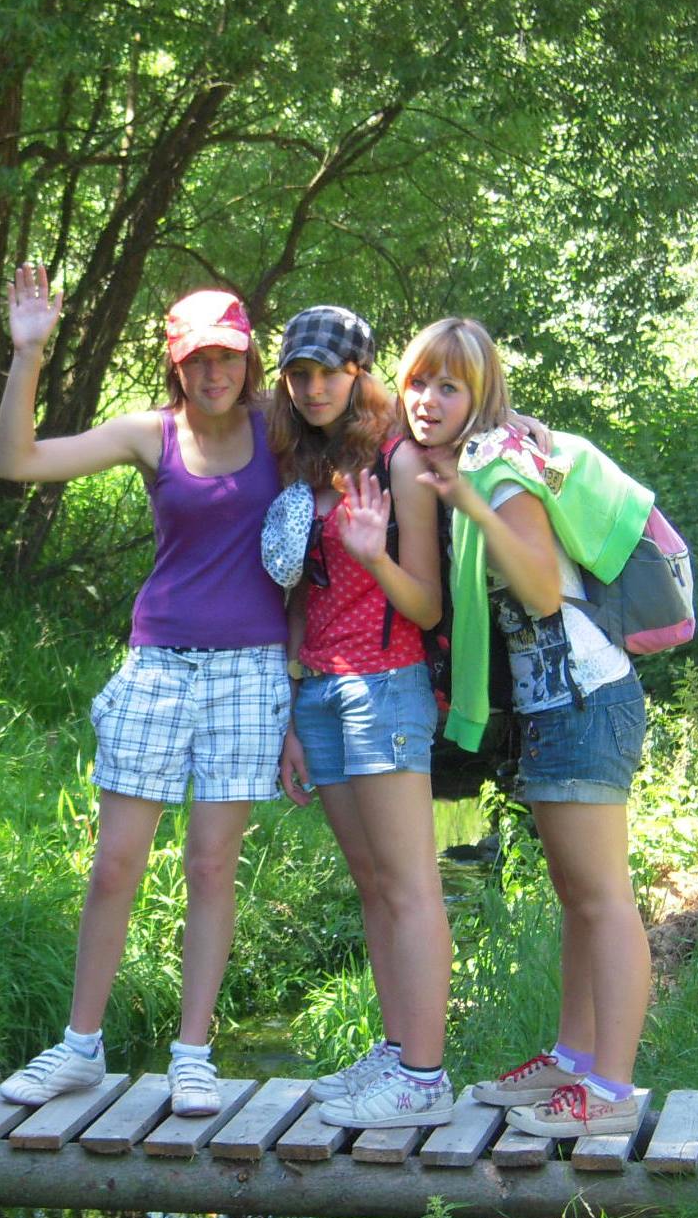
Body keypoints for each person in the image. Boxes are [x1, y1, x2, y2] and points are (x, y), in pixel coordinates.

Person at [0, 265, 289, 1117]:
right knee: (116, 862)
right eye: (198, 359)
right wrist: (29, 352)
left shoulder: (279, 427)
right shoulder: (149, 433)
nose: (213, 372)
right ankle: (79, 1047)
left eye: (227, 356)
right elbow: (16, 460)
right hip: (158, 666)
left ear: (249, 359)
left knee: (211, 864)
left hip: (252, 671)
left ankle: (192, 1057)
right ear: (176, 364)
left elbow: (376, 422)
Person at [403, 317, 651, 1138]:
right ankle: (573, 1060)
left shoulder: (498, 469)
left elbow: (543, 590)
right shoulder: (486, 453)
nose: (428, 400)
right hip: (553, 709)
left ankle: (611, 1091)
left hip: (584, 699)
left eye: (449, 387)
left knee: (604, 898)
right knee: (576, 895)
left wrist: (471, 500)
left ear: (480, 395)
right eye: (417, 383)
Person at [262, 305, 456, 1129]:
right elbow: (300, 596)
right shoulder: (300, 464)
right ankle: (396, 1048)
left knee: (410, 886)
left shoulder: (397, 461)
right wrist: (289, 711)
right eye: (298, 375)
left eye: (327, 374)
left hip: (386, 688)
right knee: (373, 884)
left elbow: (426, 603)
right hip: (319, 691)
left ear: (359, 376)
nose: (312, 389)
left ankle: (426, 1077)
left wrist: (375, 555)